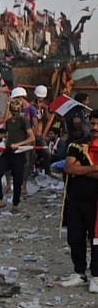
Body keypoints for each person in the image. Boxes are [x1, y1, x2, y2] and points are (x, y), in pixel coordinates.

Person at [60, 111, 98, 291]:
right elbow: (68, 168)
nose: (95, 128)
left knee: (96, 239)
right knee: (75, 238)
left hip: (95, 202)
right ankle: (79, 272)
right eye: (92, 124)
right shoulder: (77, 145)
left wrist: (80, 169)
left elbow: (75, 168)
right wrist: (95, 168)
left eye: (97, 124)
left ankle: (96, 275)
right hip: (75, 200)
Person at [0, 88, 35, 213]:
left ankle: (15, 203)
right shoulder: (9, 121)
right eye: (13, 110)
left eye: (16, 110)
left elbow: (31, 138)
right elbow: (4, 121)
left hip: (18, 153)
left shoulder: (24, 120)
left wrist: (18, 144)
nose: (15, 113)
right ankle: (0, 199)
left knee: (17, 179)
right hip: (8, 152)